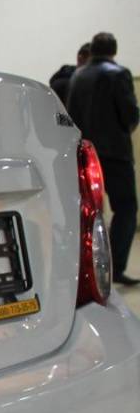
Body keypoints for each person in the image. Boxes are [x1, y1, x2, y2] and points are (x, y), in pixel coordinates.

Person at [68, 32, 140, 285]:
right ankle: (116, 268)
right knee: (126, 209)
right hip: (115, 154)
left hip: (86, 154)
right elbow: (130, 115)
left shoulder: (78, 76)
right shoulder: (118, 74)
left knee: (89, 211)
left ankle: (90, 268)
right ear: (114, 50)